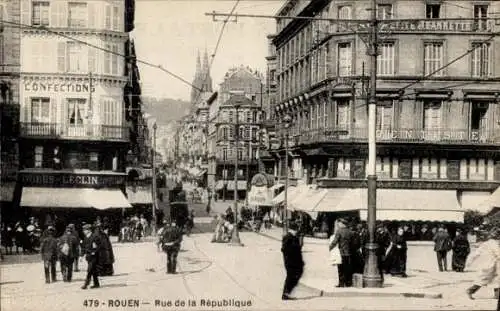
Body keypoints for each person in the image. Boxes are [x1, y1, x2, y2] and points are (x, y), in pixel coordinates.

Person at [465, 227, 500, 301]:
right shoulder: (494, 243)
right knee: (484, 280)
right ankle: (470, 291)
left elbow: (475, 254)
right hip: (491, 265)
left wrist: (469, 262)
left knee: (495, 279)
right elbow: (498, 254)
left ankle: (497, 295)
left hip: (486, 264)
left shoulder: (484, 244)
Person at [329, 218, 355, 287]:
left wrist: (330, 247)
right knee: (347, 268)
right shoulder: (350, 232)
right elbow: (353, 243)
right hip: (348, 253)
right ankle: (348, 283)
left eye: (339, 223)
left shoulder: (339, 231)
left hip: (341, 253)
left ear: (342, 224)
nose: (338, 224)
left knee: (340, 269)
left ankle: (341, 283)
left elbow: (335, 241)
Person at [281, 221, 304, 300]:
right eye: (296, 230)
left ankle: (287, 293)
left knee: (297, 274)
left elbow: (299, 248)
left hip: (296, 261)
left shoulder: (294, 237)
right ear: (293, 230)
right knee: (291, 277)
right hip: (290, 261)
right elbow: (284, 249)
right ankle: (285, 294)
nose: (297, 231)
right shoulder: (288, 237)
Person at [81, 224, 101, 289]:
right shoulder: (85, 237)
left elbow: (99, 246)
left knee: (89, 270)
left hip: (94, 256)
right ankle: (96, 284)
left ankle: (86, 284)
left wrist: (94, 251)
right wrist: (82, 255)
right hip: (88, 256)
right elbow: (83, 247)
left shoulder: (95, 236)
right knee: (93, 270)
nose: (83, 231)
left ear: (89, 230)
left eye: (85, 230)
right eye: (83, 230)